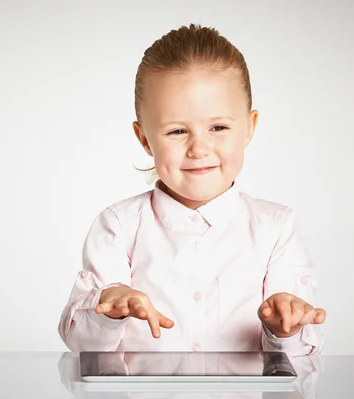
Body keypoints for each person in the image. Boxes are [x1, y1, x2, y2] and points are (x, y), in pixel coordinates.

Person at [57, 24, 326, 357]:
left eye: (218, 127)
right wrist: (109, 308)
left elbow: (299, 354)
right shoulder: (118, 226)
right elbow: (80, 343)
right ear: (144, 139)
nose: (199, 148)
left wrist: (285, 326)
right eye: (177, 131)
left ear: (249, 127)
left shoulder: (276, 228)